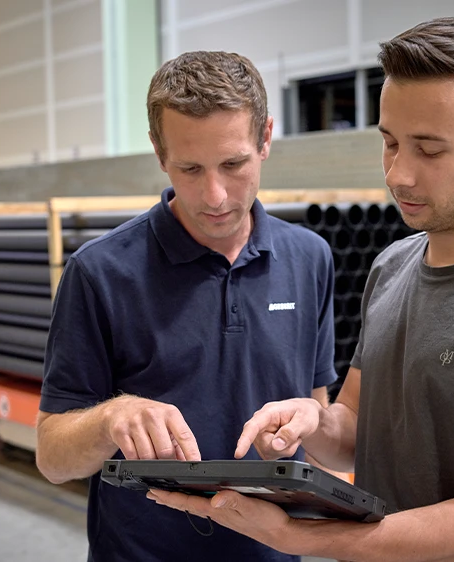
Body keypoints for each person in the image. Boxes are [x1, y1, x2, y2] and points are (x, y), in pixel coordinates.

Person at [148, 17, 454, 562]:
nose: (399, 174)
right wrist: (312, 422)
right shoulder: (395, 265)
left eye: (429, 150)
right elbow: (356, 430)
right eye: (390, 143)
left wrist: (300, 537)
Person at [35, 50, 338, 562]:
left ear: (265, 138)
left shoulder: (309, 259)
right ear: (159, 152)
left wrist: (307, 423)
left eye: (234, 164)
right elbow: (52, 456)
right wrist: (112, 417)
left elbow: (322, 424)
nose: (215, 194)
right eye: (191, 168)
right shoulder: (101, 272)